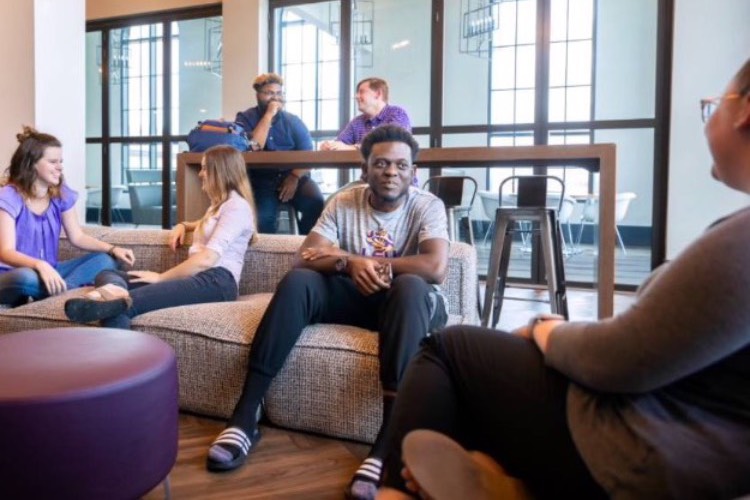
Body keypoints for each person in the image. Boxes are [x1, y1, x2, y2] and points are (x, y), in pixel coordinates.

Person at [377, 59, 750, 500]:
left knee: (448, 348)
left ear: (744, 110)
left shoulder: (742, 244)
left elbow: (618, 358)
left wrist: (545, 328)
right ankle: (505, 485)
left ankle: (411, 489)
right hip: (686, 439)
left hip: (642, 449)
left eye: (712, 107)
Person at [206, 125, 450, 498]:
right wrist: (349, 263)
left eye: (402, 165)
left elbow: (434, 266)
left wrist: (370, 265)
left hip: (407, 306)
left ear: (413, 172)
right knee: (298, 281)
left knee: (412, 285)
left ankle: (388, 439)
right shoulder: (344, 200)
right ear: (365, 169)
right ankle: (245, 414)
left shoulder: (427, 205)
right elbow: (306, 255)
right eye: (381, 163)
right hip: (355, 295)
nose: (391, 172)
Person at [64, 145, 257, 329]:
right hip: (200, 278)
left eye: (205, 168)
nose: (200, 174)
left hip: (217, 282)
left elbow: (207, 259)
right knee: (108, 274)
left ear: (220, 171)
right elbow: (202, 224)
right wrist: (183, 225)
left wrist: (160, 278)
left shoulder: (236, 207)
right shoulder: (219, 206)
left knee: (122, 306)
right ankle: (111, 292)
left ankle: (120, 358)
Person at [0, 126, 134, 307]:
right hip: (12, 274)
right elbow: (6, 252)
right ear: (31, 163)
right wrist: (40, 265)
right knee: (25, 278)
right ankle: (57, 293)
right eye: (53, 162)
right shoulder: (8, 197)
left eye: (61, 161)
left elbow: (77, 237)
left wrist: (112, 249)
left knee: (106, 260)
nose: (60, 167)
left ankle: (59, 293)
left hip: (51, 271)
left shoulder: (60, 194)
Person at [235, 72, 324, 235]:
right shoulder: (245, 118)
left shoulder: (293, 121)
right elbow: (254, 146)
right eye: (269, 93)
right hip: (261, 181)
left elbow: (308, 155)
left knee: (316, 202)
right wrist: (269, 115)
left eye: (278, 93)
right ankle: (268, 256)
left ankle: (305, 245)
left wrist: (294, 177)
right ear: (258, 96)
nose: (275, 98)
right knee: (263, 219)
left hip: (293, 176)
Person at [320, 77, 412, 152]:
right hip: (371, 174)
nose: (356, 96)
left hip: (397, 173)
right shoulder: (357, 122)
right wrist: (330, 146)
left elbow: (390, 144)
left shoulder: (397, 113)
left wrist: (352, 148)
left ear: (378, 94)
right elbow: (341, 144)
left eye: (361, 92)